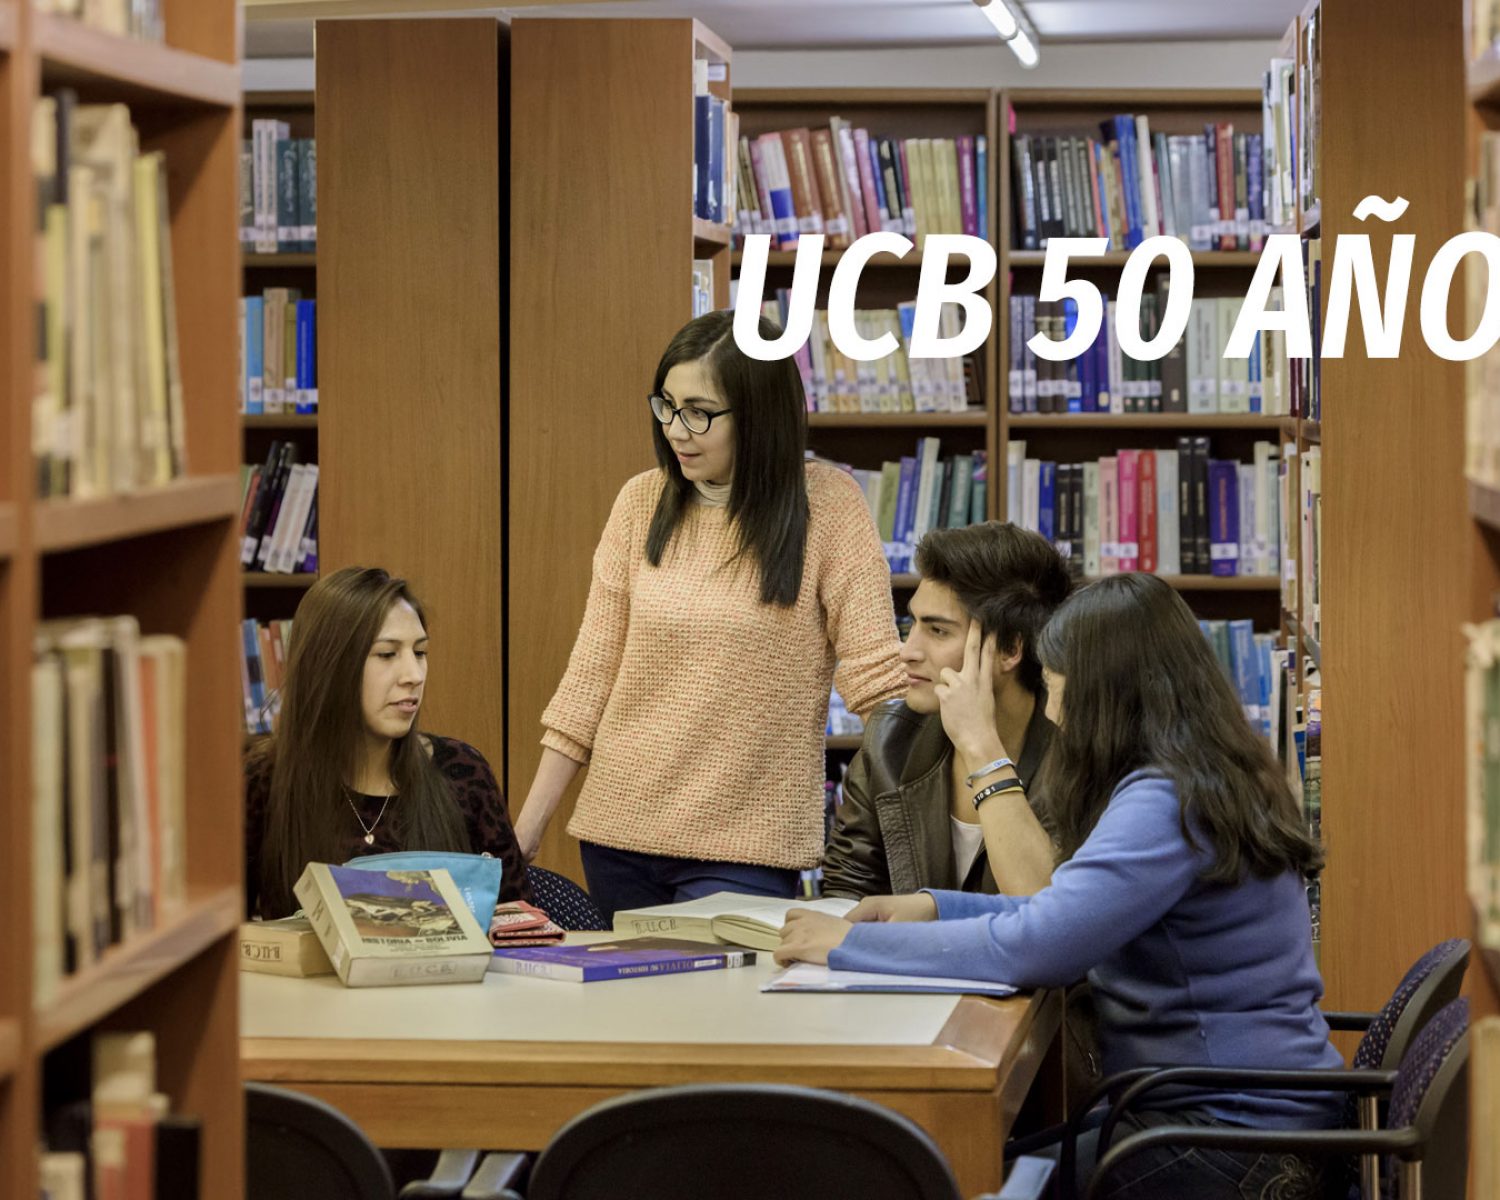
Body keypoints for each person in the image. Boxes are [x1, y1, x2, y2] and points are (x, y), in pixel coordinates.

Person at [779, 573, 1342, 1200]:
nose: (1051, 708)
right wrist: (931, 907)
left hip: (1229, 1141)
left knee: (952, 1179)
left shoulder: (1168, 801)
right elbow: (1062, 905)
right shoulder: (1201, 774)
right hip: (1226, 1120)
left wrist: (845, 948)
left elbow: (1043, 944)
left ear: (1105, 688)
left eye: (1055, 683)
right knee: (967, 1167)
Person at [513, 310, 907, 919]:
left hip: (746, 848)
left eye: (699, 411)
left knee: (718, 1014)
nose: (676, 429)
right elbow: (590, 678)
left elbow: (878, 685)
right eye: (666, 405)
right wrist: (527, 831)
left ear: (759, 413)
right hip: (619, 834)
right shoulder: (639, 501)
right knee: (634, 1016)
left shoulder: (828, 506)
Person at [245, 566, 532, 919]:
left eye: (420, 652)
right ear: (330, 665)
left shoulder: (462, 772)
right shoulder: (265, 780)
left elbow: (519, 926)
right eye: (387, 654)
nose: (413, 675)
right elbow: (220, 936)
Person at [821, 522, 1070, 900]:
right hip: (901, 958)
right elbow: (849, 891)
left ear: (1009, 651)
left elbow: (1051, 911)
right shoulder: (890, 741)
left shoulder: (1077, 756)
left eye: (938, 631)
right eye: (913, 624)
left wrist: (980, 745)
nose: (908, 651)